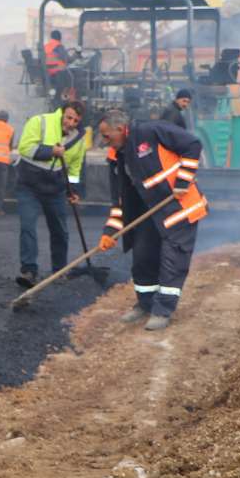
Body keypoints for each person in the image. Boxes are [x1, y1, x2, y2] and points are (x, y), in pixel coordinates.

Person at [96, 107, 207, 331]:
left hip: (179, 209)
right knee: (143, 256)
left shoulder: (151, 132)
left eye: (107, 136)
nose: (105, 141)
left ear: (121, 128)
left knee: (172, 260)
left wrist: (183, 182)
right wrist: (110, 232)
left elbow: (193, 145)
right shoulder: (116, 158)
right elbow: (119, 201)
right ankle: (145, 304)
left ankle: (163, 310)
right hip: (149, 213)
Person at [14, 101, 89, 288]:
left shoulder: (78, 140)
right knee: (28, 226)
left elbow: (74, 169)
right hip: (29, 185)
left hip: (55, 189)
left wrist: (74, 191)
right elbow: (25, 147)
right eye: (69, 117)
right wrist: (51, 151)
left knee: (60, 231)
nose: (70, 123)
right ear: (62, 113)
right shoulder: (40, 122)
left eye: (75, 120)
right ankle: (29, 270)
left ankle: (59, 270)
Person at [43, 29, 71, 97]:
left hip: (48, 72)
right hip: (59, 72)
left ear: (51, 37)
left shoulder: (45, 46)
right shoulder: (58, 46)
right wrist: (76, 55)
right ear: (60, 37)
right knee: (73, 79)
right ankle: (68, 96)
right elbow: (67, 59)